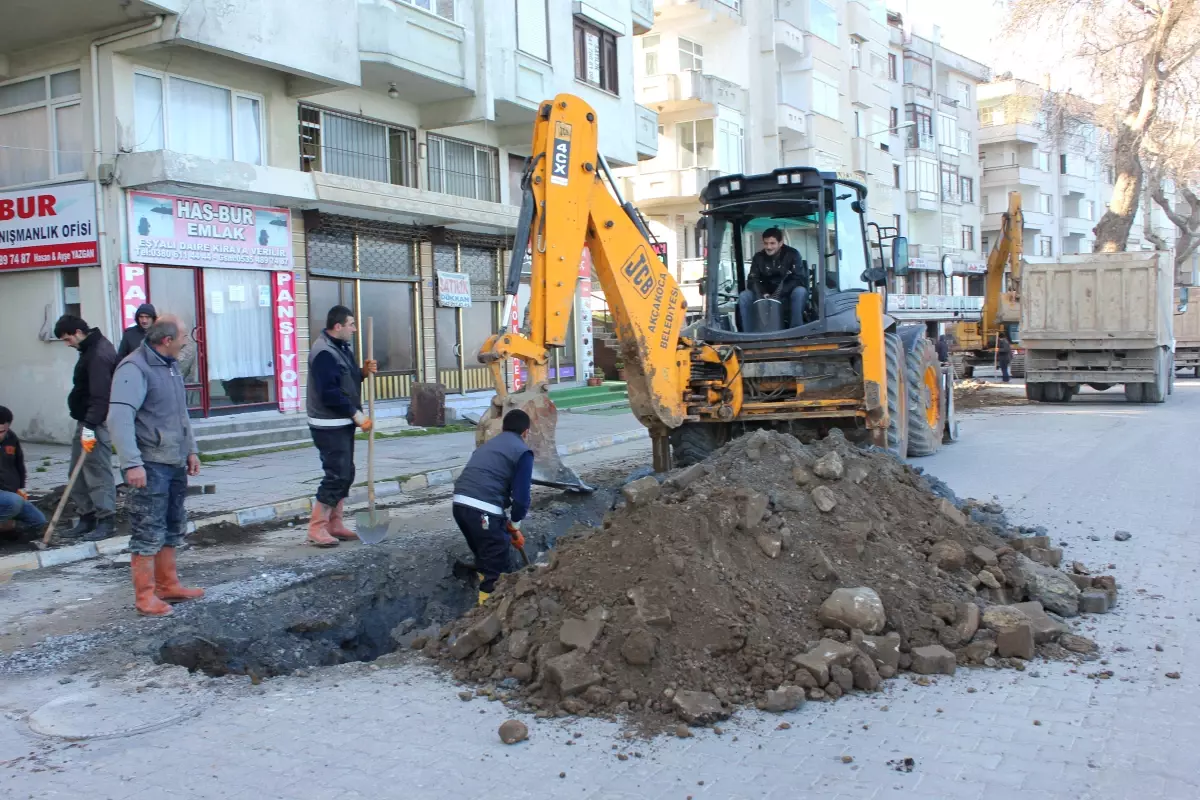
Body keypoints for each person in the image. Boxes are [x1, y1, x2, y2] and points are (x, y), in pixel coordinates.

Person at [108, 315, 204, 617]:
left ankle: (168, 585)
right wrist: (131, 464)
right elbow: (120, 418)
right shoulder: (134, 368)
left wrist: (191, 450)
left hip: (173, 461)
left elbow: (180, 415)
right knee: (148, 530)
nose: (187, 341)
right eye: (184, 337)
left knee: (173, 525)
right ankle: (145, 596)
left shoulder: (171, 366)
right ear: (167, 340)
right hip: (149, 464)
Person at [305, 305, 376, 547]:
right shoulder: (323, 352)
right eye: (351, 324)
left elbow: (343, 378)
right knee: (336, 475)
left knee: (346, 473)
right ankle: (317, 528)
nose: (354, 329)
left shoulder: (340, 347)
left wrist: (362, 373)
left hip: (340, 423)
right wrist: (357, 415)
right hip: (327, 424)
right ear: (338, 326)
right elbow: (330, 392)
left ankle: (335, 523)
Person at [451, 409, 534, 604]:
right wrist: (515, 525)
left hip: (460, 506)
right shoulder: (522, 451)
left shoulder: (489, 446)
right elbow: (522, 499)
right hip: (482, 510)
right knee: (496, 569)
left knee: (487, 556)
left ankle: (483, 576)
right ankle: (485, 617)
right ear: (525, 433)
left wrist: (509, 526)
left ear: (504, 428)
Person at [54, 314, 118, 541]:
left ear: (78, 332)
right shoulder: (90, 350)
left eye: (67, 338)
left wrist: (90, 425)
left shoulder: (99, 354)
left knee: (97, 471)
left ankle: (106, 519)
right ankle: (87, 516)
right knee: (77, 471)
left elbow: (101, 395)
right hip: (86, 421)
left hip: (95, 423)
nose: (67, 343)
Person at [738, 228, 810, 332]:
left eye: (772, 243)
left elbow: (798, 279)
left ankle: (796, 330)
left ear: (780, 243)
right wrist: (762, 293)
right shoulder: (758, 257)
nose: (768, 247)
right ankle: (748, 333)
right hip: (765, 294)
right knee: (744, 296)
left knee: (800, 291)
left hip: (786, 294)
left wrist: (778, 294)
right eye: (766, 243)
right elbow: (752, 279)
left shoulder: (793, 254)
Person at [0, 406, 46, 537]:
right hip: (6, 498)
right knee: (14, 502)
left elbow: (19, 464)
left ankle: (8, 528)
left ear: (8, 427)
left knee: (38, 521)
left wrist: (21, 487)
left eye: (2, 431)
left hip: (10, 494)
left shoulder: (11, 438)